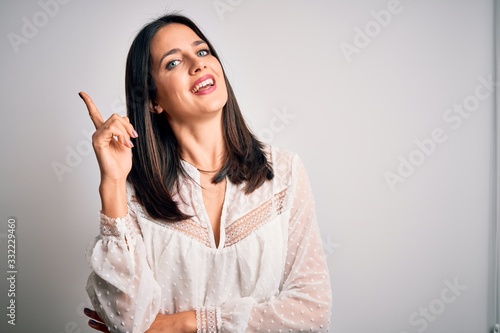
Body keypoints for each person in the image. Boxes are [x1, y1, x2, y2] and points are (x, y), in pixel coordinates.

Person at [80, 14, 331, 333]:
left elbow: (312, 311)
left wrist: (183, 323)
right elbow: (129, 322)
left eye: (202, 52)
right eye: (172, 63)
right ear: (153, 100)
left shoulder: (284, 172)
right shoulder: (132, 194)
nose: (197, 65)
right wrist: (113, 182)